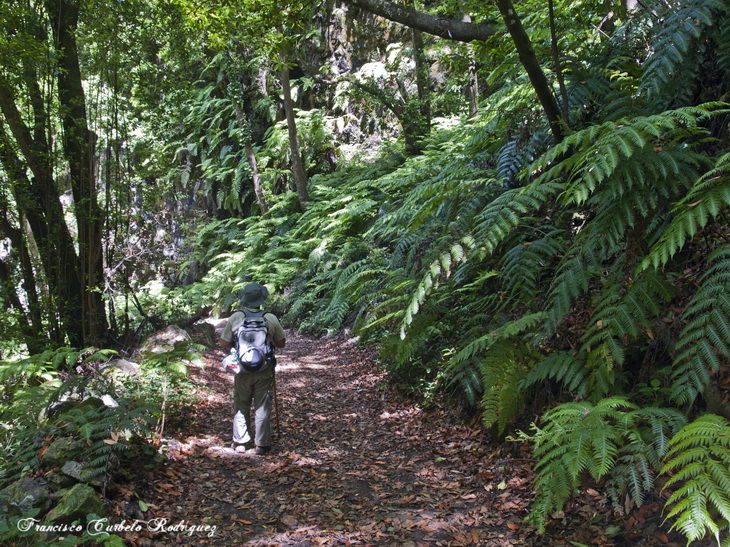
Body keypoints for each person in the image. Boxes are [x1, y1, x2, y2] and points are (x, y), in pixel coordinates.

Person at [220, 283, 286, 455]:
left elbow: (223, 342)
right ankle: (262, 444)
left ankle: (241, 442)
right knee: (262, 406)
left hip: (241, 369)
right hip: (264, 369)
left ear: (244, 299)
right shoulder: (270, 318)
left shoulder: (236, 317)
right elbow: (281, 343)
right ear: (261, 299)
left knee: (241, 403)